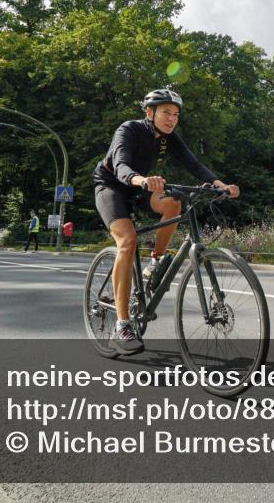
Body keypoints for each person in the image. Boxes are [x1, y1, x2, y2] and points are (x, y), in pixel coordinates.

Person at [92, 88, 239, 354]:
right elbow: (120, 164)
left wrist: (220, 184)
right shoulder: (129, 130)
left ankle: (155, 261)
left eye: (175, 114)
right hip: (112, 187)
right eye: (166, 113)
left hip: (139, 189)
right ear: (150, 112)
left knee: (174, 202)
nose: (171, 119)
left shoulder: (169, 139)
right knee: (127, 241)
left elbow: (194, 165)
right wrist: (141, 179)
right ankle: (121, 326)